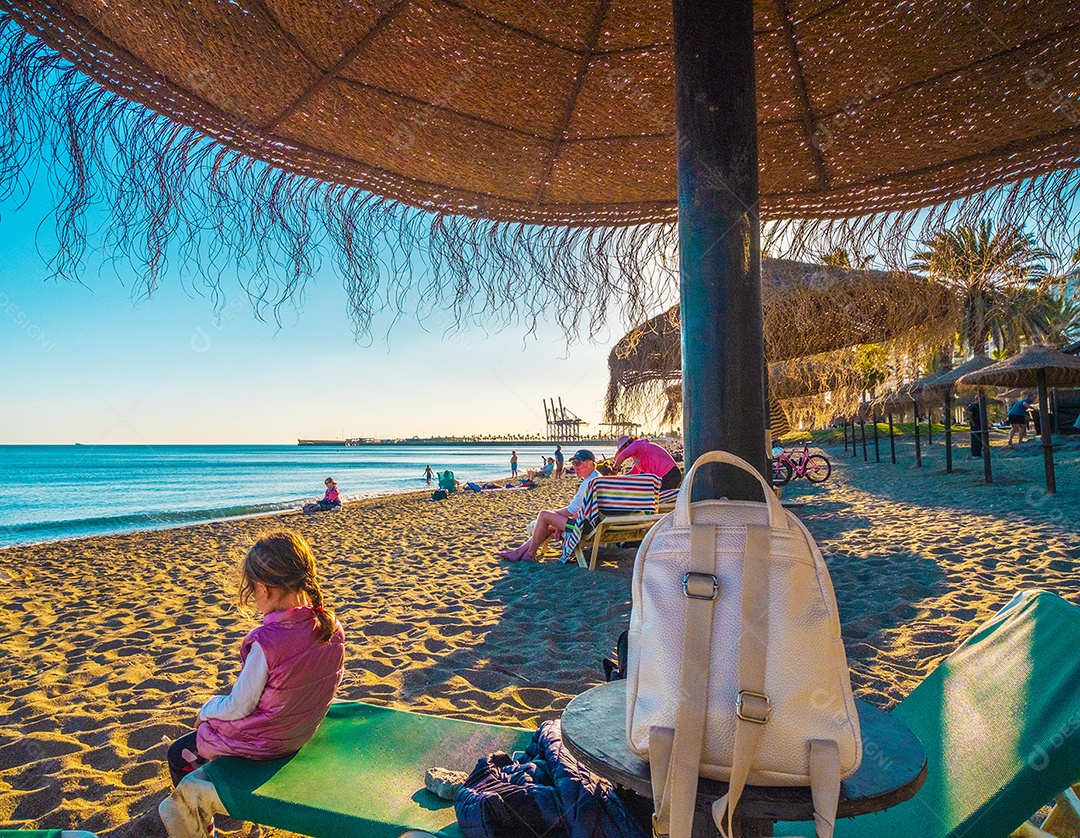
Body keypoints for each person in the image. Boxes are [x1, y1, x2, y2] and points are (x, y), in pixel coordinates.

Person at [162, 530, 345, 794]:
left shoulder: (268, 643)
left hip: (268, 745)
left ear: (263, 587)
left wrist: (205, 710)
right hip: (301, 731)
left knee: (179, 752)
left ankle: (201, 808)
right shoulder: (331, 626)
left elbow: (239, 706)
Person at [497, 449, 598, 562]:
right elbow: (584, 509)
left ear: (590, 463)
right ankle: (519, 552)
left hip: (584, 528)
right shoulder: (599, 479)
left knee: (544, 515)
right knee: (548, 524)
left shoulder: (589, 483)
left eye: (578, 463)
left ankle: (529, 554)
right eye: (573, 463)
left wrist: (552, 516)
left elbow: (570, 511)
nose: (574, 467)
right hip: (599, 525)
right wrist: (556, 521)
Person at [612, 436, 682, 491]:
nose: (622, 451)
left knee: (651, 494)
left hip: (669, 474)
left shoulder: (637, 445)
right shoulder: (638, 457)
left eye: (622, 449)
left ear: (627, 444)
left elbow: (622, 456)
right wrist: (620, 479)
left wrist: (614, 469)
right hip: (667, 476)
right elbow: (634, 471)